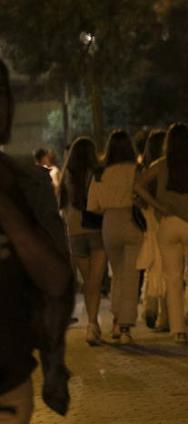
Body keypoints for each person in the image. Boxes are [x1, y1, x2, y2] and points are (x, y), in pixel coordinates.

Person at [0, 59, 74, 424]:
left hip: (6, 385)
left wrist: (54, 365)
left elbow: (57, 281)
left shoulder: (26, 183)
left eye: (5, 96)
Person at [134, 123, 188, 344]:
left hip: (167, 226)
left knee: (173, 279)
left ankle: (178, 331)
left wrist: (158, 205)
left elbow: (138, 185)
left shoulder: (160, 165)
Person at [87, 129, 143, 343]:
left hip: (109, 223)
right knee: (131, 275)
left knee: (117, 274)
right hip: (131, 221)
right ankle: (126, 327)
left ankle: (116, 321)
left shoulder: (100, 173)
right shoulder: (135, 170)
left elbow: (93, 206)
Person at [60, 137, 107, 345]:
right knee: (94, 282)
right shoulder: (97, 174)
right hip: (96, 228)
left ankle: (92, 325)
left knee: (88, 280)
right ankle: (92, 325)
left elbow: (61, 205)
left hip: (74, 231)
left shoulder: (66, 175)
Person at [137, 129, 167, 331]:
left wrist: (148, 204)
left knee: (153, 267)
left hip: (149, 222)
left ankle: (150, 307)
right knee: (169, 267)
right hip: (166, 219)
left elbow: (137, 195)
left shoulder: (144, 170)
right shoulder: (166, 168)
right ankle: (165, 314)